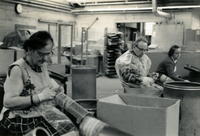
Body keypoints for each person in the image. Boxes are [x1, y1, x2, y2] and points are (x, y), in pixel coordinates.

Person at [0, 31, 78, 136]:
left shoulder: (41, 64)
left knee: (72, 130)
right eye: (41, 54)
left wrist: (54, 90)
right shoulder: (18, 69)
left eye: (48, 53)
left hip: (40, 112)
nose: (45, 58)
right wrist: (40, 97)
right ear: (29, 50)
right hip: (21, 117)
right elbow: (8, 102)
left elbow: (44, 85)